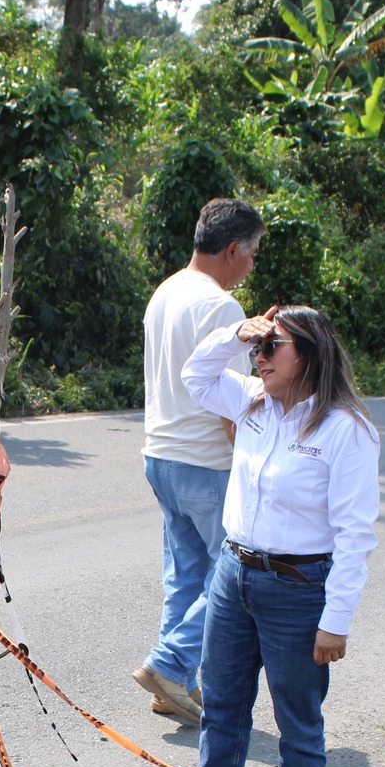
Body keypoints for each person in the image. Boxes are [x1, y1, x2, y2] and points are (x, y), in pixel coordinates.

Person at [150, 305, 381, 767]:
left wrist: (338, 619)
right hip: (233, 574)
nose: (260, 356)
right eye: (258, 347)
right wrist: (236, 331)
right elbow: (194, 377)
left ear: (309, 353)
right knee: (223, 704)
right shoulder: (252, 401)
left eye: (272, 345)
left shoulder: (344, 428)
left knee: (298, 718)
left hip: (300, 588)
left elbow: (356, 534)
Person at [132, 198, 264, 726]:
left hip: (160, 453)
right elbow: (230, 400)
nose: (253, 264)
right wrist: (253, 461)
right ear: (232, 249)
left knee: (186, 576)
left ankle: (175, 683)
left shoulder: (165, 291)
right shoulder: (224, 310)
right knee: (233, 575)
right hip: (206, 460)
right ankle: (168, 664)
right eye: (252, 253)